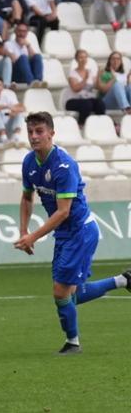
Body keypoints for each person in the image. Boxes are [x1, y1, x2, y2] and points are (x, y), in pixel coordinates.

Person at [16, 113, 131, 355]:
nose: (34, 136)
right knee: (71, 293)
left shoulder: (64, 166)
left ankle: (73, 343)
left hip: (80, 231)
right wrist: (23, 230)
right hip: (64, 233)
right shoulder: (28, 162)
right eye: (31, 132)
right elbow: (27, 198)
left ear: (51, 134)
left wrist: (33, 237)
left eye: (39, 131)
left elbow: (63, 212)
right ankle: (123, 280)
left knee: (61, 292)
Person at [65, 49, 106, 125]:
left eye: (85, 57)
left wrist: (98, 76)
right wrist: (85, 79)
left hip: (88, 100)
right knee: (87, 104)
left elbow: (97, 87)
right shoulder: (72, 73)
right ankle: (81, 124)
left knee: (100, 103)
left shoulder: (90, 72)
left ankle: (100, 124)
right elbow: (75, 88)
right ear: (76, 59)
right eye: (81, 57)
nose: (83, 59)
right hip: (73, 101)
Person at [6, 21, 46, 87]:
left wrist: (28, 46)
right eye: (19, 31)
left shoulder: (28, 44)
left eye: (24, 31)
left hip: (27, 73)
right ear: (15, 31)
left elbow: (35, 58)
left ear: (27, 33)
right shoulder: (8, 44)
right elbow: (13, 60)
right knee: (23, 58)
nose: (21, 34)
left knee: (37, 56)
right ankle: (32, 83)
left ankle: (38, 82)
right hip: (16, 74)